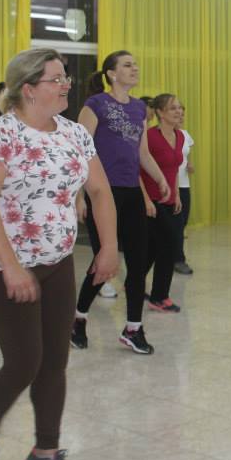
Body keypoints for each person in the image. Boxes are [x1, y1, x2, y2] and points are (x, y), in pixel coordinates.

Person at [0, 48, 118, 460]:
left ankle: (45, 451)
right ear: (29, 89)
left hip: (57, 261)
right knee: (24, 362)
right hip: (3, 267)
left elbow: (100, 191)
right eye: (57, 78)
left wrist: (108, 246)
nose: (67, 84)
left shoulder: (74, 133)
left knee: (54, 362)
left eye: (65, 77)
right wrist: (12, 268)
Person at [71, 50, 170, 355]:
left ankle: (133, 329)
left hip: (130, 192)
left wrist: (160, 178)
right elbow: (78, 153)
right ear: (112, 74)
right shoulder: (95, 104)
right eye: (127, 65)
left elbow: (142, 153)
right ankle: (78, 319)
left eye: (135, 64)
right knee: (104, 261)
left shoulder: (140, 108)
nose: (134, 68)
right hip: (102, 192)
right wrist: (79, 196)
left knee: (138, 263)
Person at [141, 94, 185, 313]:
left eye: (180, 107)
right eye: (173, 108)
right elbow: (137, 169)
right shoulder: (149, 136)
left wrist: (176, 195)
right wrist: (146, 200)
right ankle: (159, 297)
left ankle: (134, 284)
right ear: (159, 112)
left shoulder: (180, 136)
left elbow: (174, 169)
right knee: (169, 245)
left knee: (152, 249)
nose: (179, 111)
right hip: (151, 200)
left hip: (169, 199)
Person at [173, 102, 195, 275]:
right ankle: (178, 259)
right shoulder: (162, 135)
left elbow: (187, 155)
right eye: (176, 112)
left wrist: (190, 165)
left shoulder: (185, 134)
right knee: (176, 224)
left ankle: (174, 255)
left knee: (182, 222)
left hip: (184, 183)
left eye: (182, 114)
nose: (180, 116)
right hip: (171, 185)